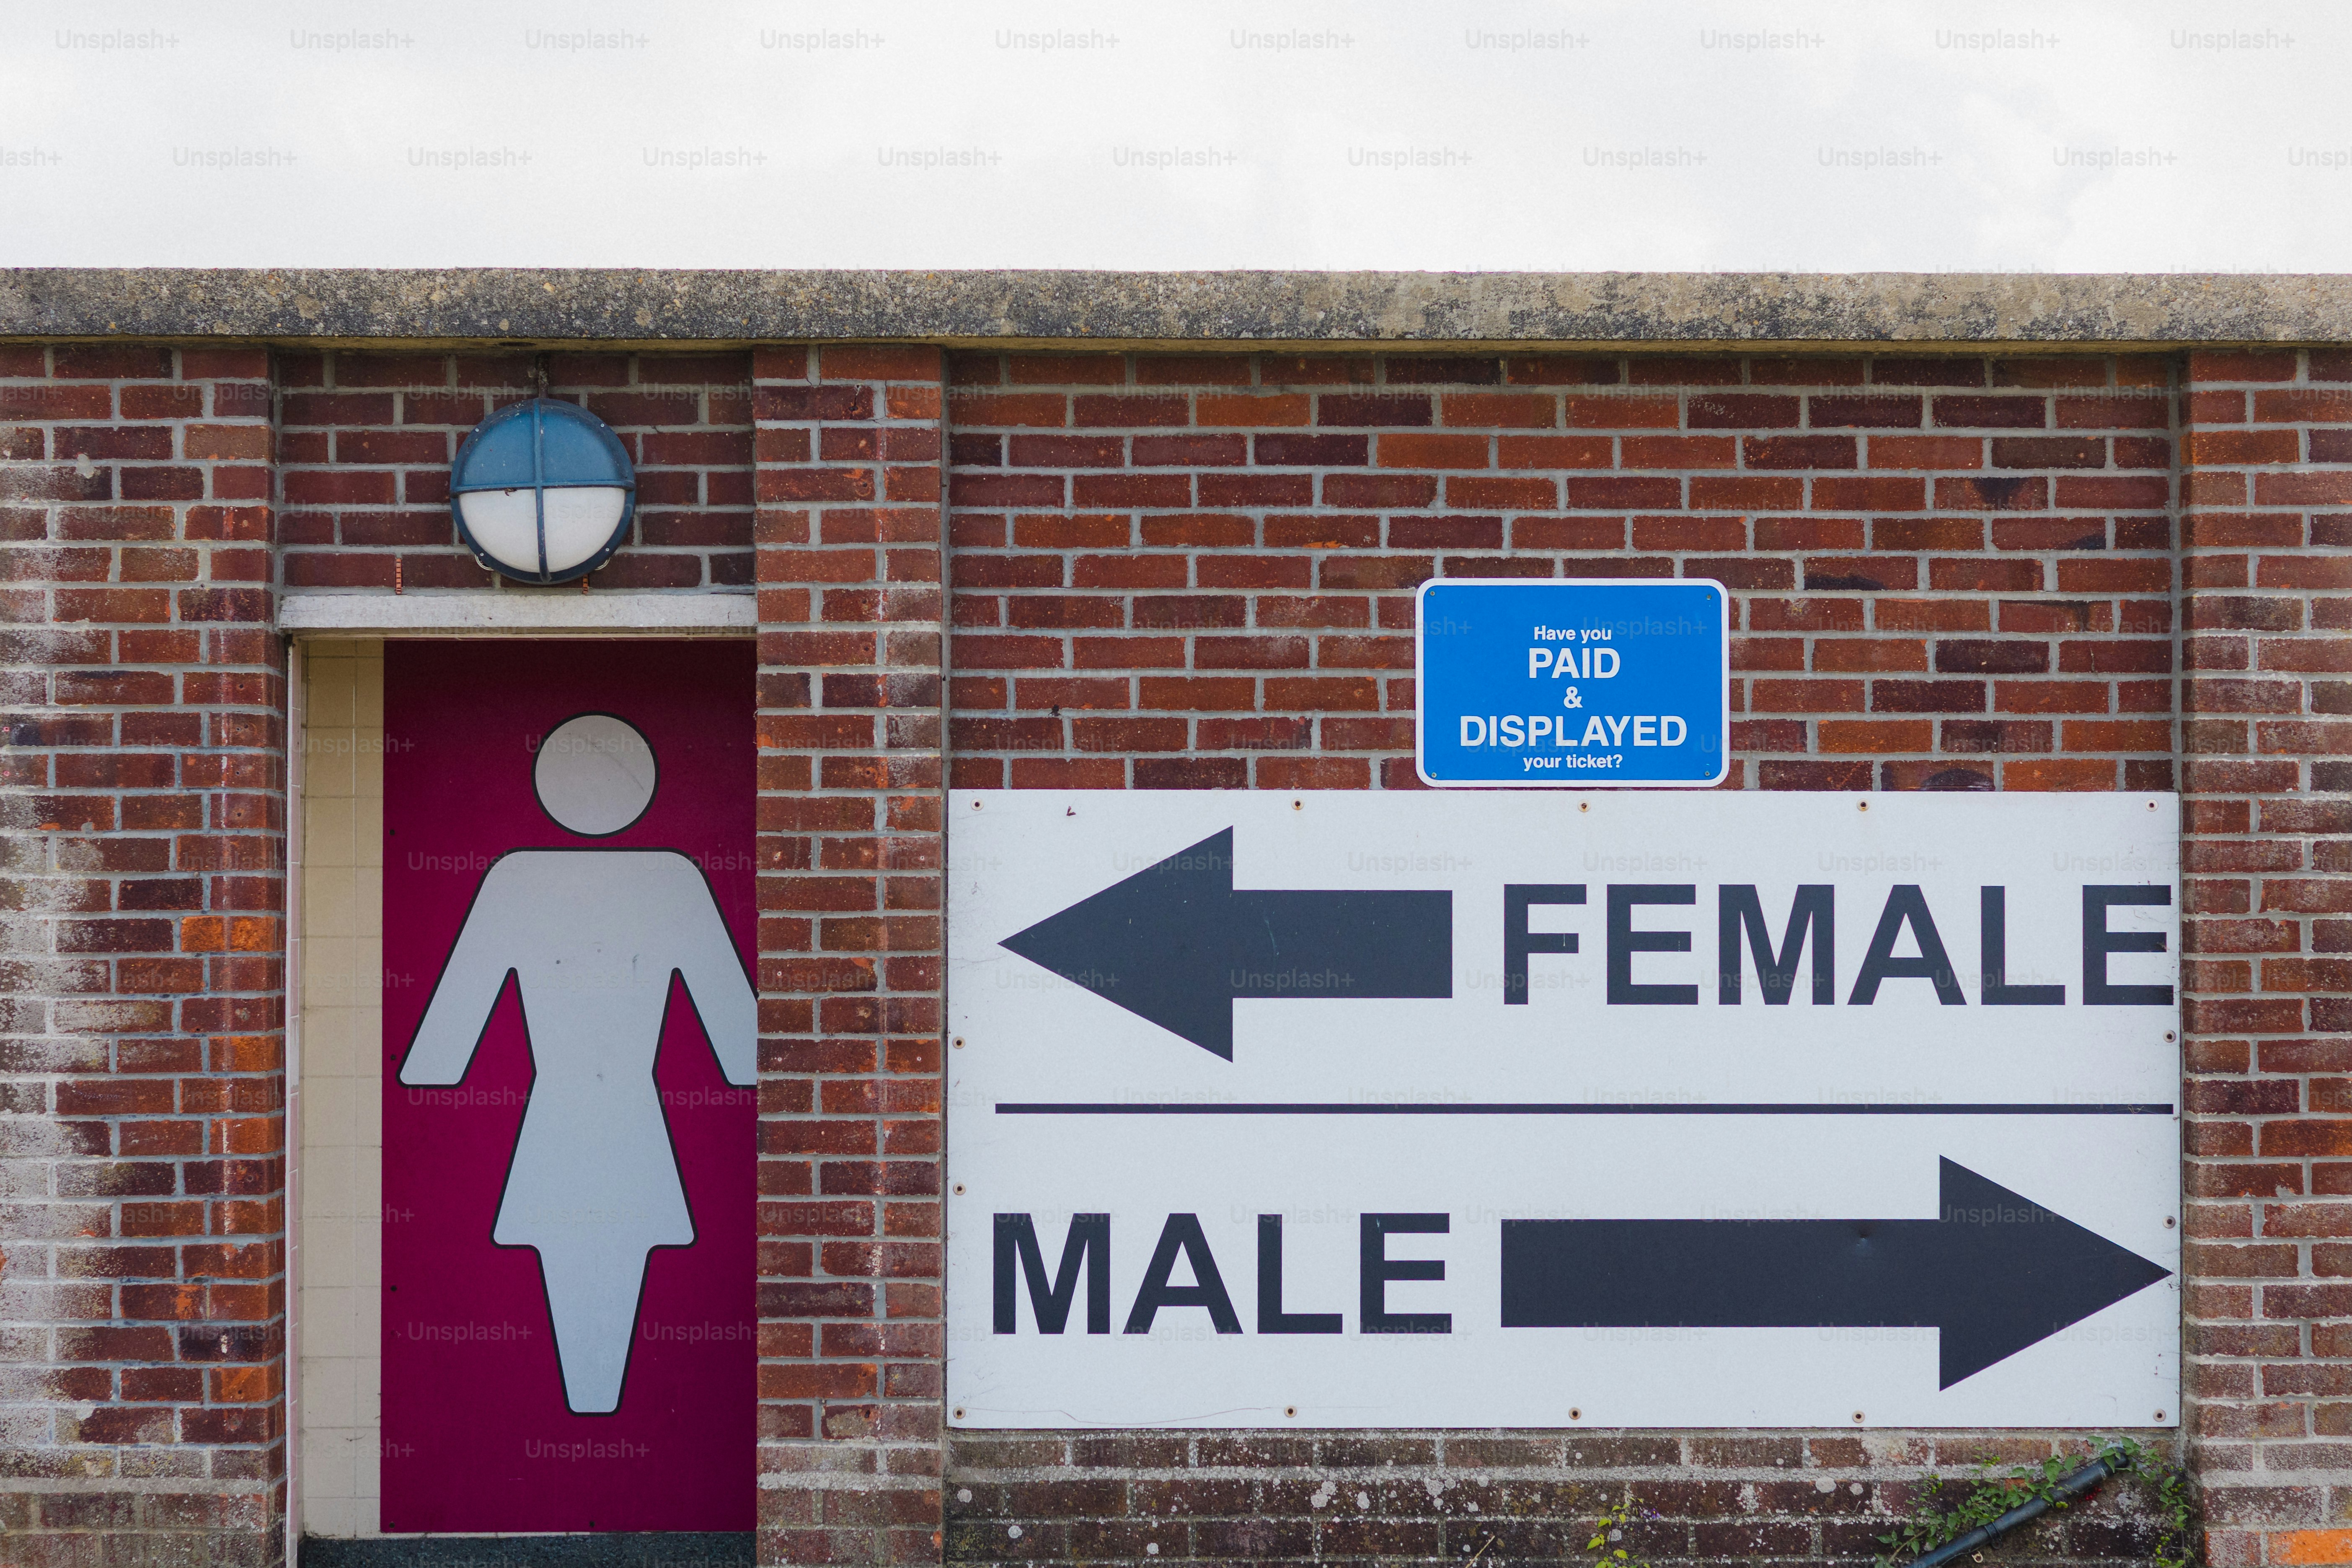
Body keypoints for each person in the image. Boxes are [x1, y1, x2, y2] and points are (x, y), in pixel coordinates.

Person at [398, 713, 756, 1415]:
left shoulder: (514, 880)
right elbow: (743, 1050)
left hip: (553, 1122)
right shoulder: (674, 880)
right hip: (635, 1122)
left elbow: (437, 1056)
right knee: (617, 1253)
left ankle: (589, 1416)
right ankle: (600, 1417)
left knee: (573, 1249)